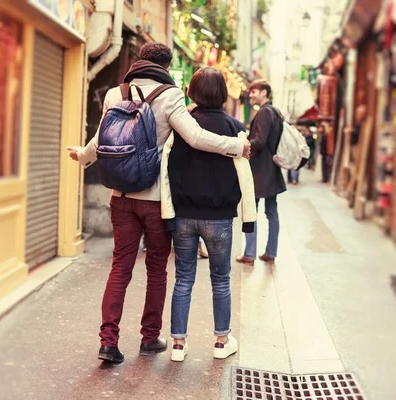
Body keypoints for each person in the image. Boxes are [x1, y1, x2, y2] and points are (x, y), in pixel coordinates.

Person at [66, 42, 250, 364]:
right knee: (156, 270)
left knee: (120, 269)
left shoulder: (114, 93)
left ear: (140, 61)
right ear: (166, 67)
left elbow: (101, 138)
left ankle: (108, 341)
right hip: (153, 200)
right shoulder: (170, 95)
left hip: (120, 197)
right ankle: (150, 338)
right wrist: (236, 146)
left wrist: (82, 156)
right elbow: (196, 138)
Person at [164, 67, 256, 361]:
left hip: (184, 215)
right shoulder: (234, 128)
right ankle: (221, 340)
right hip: (219, 217)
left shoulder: (182, 125)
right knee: (221, 279)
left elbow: (168, 167)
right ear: (222, 93)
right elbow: (243, 174)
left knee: (183, 279)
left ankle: (178, 345)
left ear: (191, 91)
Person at [236, 80, 286, 265]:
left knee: (251, 211)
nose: (251, 95)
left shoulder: (264, 112)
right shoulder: (275, 111)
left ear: (264, 93)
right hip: (271, 168)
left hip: (259, 170)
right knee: (271, 211)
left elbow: (260, 140)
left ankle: (249, 254)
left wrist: (244, 143)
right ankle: (270, 251)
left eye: (254, 91)